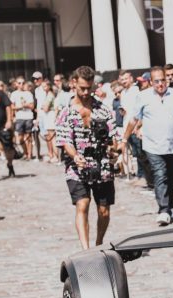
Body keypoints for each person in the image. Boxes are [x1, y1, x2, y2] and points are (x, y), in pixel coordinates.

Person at [54, 65, 120, 249]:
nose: (85, 92)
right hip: (77, 167)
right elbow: (65, 140)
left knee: (104, 211)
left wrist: (114, 149)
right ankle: (86, 249)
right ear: (74, 83)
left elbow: (114, 137)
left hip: (102, 165)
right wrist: (75, 156)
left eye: (89, 88)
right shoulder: (66, 112)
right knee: (82, 204)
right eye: (82, 87)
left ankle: (99, 243)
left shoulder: (103, 110)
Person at [120, 66, 173, 226]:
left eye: (163, 80)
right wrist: (125, 139)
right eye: (157, 81)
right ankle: (163, 210)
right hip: (152, 145)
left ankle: (171, 205)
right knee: (160, 175)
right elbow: (133, 119)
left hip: (172, 144)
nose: (160, 84)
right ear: (151, 82)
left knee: (170, 174)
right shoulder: (143, 96)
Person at [10, 77, 36, 160]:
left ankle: (29, 155)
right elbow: (12, 107)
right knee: (20, 138)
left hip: (28, 117)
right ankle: (25, 152)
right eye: (19, 83)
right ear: (16, 84)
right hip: (19, 117)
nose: (21, 85)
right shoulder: (14, 94)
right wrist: (19, 107)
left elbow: (32, 106)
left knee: (28, 137)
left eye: (23, 83)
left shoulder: (28, 94)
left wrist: (25, 105)